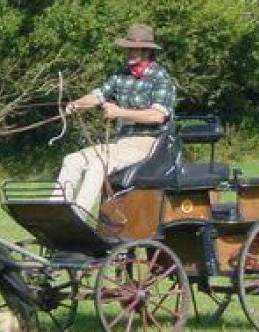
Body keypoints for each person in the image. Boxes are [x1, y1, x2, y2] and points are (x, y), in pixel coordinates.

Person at [55, 23, 176, 216]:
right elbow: (98, 96)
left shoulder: (160, 77)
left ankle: (78, 217)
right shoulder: (121, 74)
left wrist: (119, 112)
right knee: (72, 160)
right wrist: (77, 104)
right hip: (121, 143)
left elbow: (157, 115)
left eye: (135, 49)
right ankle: (58, 215)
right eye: (128, 48)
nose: (130, 52)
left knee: (97, 165)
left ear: (147, 51)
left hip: (149, 144)